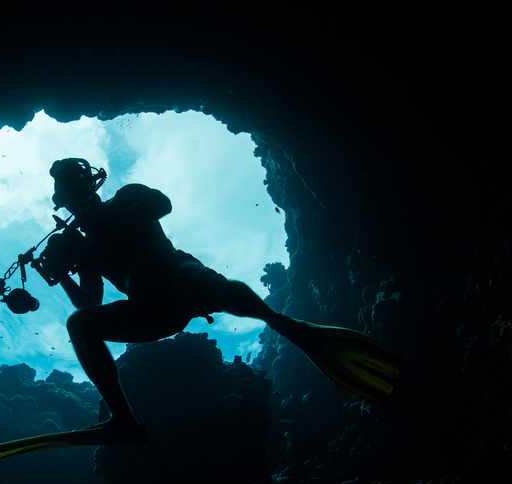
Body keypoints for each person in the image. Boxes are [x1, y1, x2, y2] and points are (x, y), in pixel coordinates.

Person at [43, 158, 400, 443]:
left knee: (186, 273)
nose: (77, 202)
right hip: (151, 311)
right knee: (79, 325)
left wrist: (105, 221)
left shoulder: (125, 198)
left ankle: (283, 324)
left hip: (180, 279)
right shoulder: (86, 252)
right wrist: (61, 278)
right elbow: (89, 307)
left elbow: (161, 204)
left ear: (89, 188)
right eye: (69, 198)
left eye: (77, 192)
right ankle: (123, 420)